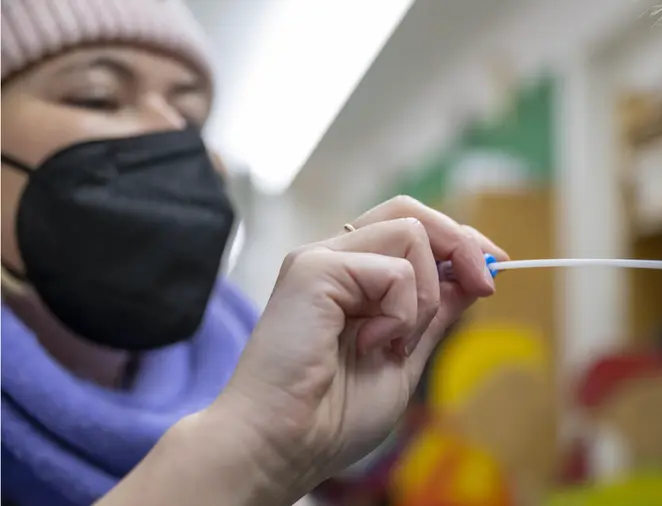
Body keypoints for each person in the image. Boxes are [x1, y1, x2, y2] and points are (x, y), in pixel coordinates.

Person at [0, 1, 507, 505]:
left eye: (191, 115)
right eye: (98, 98)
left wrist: (269, 453)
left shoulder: (248, 378)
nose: (171, 130)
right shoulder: (245, 423)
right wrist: (244, 455)